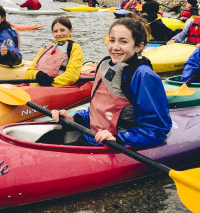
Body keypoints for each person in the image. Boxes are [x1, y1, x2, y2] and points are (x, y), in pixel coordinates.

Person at [51, 15, 172, 147]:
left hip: (119, 145)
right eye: (112, 40)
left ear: (138, 46)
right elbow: (99, 108)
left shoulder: (143, 75)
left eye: (123, 42)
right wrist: (75, 118)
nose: (115, 47)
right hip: (92, 139)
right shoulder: (105, 65)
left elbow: (157, 129)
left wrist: (119, 138)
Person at [25, 16, 84, 86]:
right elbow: (28, 72)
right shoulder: (45, 48)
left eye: (62, 30)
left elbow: (72, 75)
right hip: (36, 87)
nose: (59, 34)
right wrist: (37, 74)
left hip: (54, 87)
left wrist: (50, 83)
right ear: (53, 33)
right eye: (55, 31)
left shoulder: (74, 47)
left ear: (70, 31)